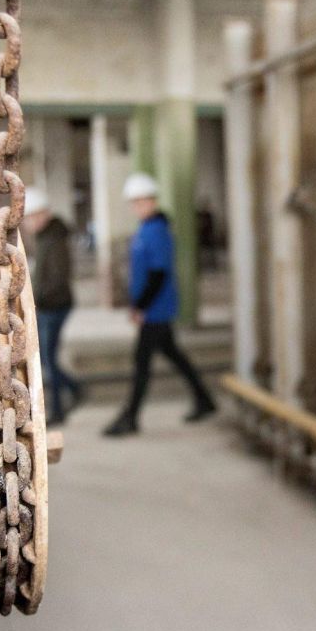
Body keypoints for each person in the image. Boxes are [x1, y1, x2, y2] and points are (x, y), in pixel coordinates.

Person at [103, 173, 217, 437]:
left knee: (142, 361)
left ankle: (130, 416)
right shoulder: (146, 229)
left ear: (152, 201)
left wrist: (141, 307)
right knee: (174, 355)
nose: (138, 207)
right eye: (134, 202)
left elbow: (158, 274)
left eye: (142, 201)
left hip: (157, 309)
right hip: (152, 308)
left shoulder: (157, 231)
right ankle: (205, 400)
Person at [23, 186, 80, 425]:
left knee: (48, 359)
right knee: (48, 359)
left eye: (30, 217)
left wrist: (37, 300)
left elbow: (57, 279)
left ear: (42, 214)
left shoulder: (54, 239)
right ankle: (70, 394)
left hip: (54, 306)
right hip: (50, 305)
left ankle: (62, 403)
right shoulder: (46, 237)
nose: (26, 223)